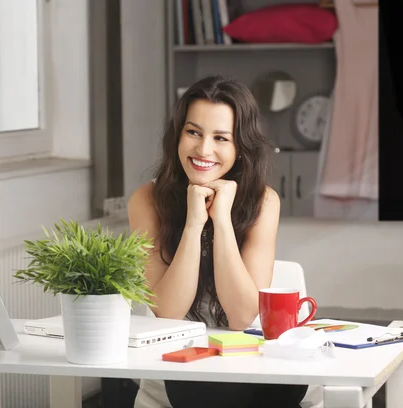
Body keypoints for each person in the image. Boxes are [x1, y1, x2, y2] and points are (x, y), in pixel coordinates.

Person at [127, 75, 309, 408]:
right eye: (193, 132)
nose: (203, 149)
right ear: (178, 135)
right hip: (185, 368)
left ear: (240, 147)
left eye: (221, 138)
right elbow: (167, 311)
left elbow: (241, 316)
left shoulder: (263, 201)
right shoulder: (147, 200)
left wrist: (221, 221)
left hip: (250, 361)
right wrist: (194, 224)